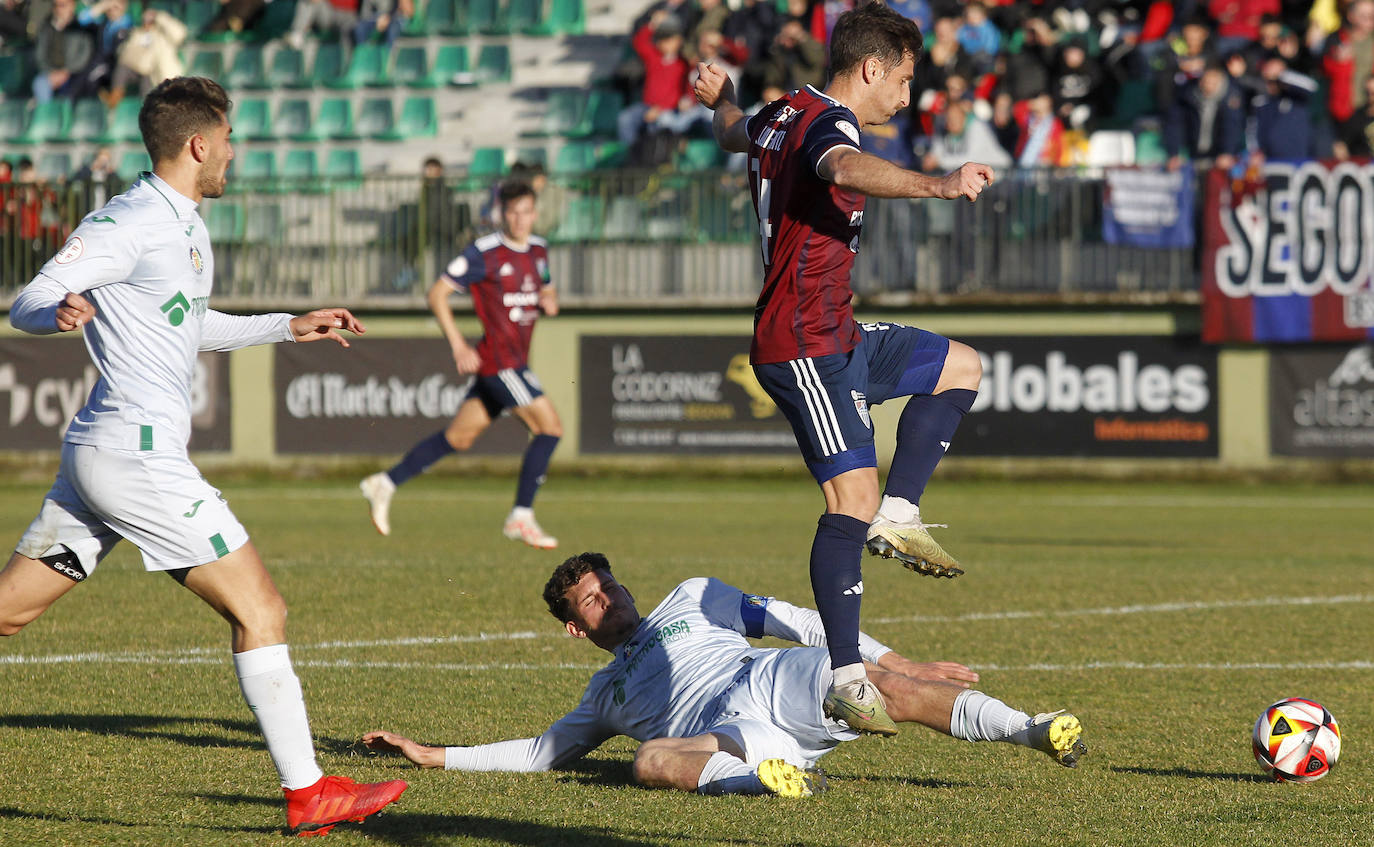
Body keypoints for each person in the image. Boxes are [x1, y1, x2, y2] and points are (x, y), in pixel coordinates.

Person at [0, 76, 407, 837]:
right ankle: (308, 791)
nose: (233, 152)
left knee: (9, 612)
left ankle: (310, 789)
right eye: (227, 139)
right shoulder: (128, 220)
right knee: (262, 609)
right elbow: (30, 296)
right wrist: (54, 311)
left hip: (106, 458)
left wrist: (291, 325)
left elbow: (189, 326)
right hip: (137, 458)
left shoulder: (181, 222)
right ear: (198, 145)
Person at [692, 2, 992, 737]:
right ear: (871, 69)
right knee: (846, 501)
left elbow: (734, 132)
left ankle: (903, 513)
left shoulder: (778, 111)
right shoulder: (833, 127)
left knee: (962, 366)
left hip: (840, 330)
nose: (907, 95)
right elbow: (841, 164)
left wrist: (723, 97)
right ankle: (848, 676)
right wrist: (939, 185)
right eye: (905, 79)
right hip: (802, 344)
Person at [361, 553, 1087, 796]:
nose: (609, 595)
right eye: (591, 597)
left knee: (880, 689)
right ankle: (765, 778)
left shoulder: (691, 595)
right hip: (725, 737)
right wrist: (433, 753)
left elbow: (800, 619)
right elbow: (541, 752)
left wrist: (895, 660)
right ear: (577, 628)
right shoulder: (603, 694)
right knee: (647, 760)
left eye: (608, 582)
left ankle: (1033, 728)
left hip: (772, 681)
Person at [361, 180, 562, 549]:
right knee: (550, 429)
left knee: (459, 437)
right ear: (502, 213)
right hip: (500, 362)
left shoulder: (539, 249)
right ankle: (521, 516)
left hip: (513, 361)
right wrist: (457, 346)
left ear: (535, 213)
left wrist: (549, 299)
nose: (519, 220)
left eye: (526, 212)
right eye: (512, 212)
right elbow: (437, 294)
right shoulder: (484, 252)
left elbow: (546, 285)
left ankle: (385, 483)